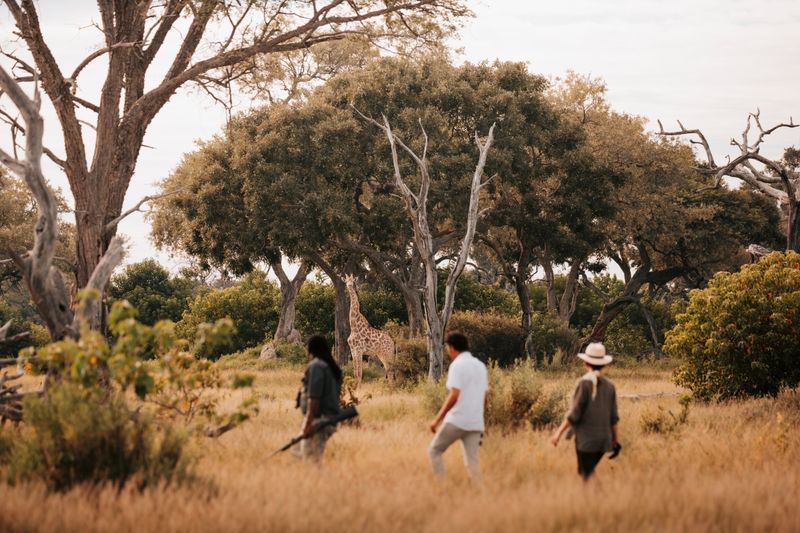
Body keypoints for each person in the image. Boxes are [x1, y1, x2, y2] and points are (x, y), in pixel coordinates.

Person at [551, 342, 620, 481]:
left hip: (586, 440)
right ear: (604, 364)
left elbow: (574, 414)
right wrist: (615, 440)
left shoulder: (583, 383)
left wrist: (558, 433)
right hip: (604, 440)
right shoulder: (610, 385)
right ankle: (595, 499)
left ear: (585, 363)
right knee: (586, 472)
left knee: (586, 474)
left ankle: (602, 499)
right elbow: (614, 417)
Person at [428, 331, 488, 481]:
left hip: (457, 421)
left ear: (452, 348)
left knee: (434, 451)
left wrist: (437, 420)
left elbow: (454, 395)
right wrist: (481, 419)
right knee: (472, 462)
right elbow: (485, 396)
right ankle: (481, 495)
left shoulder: (457, 365)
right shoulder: (480, 366)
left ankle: (443, 487)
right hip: (475, 422)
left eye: (447, 347)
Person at [295, 335, 343, 462]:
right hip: (328, 419)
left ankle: (317, 481)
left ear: (311, 350)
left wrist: (309, 423)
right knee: (297, 450)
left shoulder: (317, 366)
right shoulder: (330, 367)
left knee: (311, 459)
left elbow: (314, 399)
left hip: (319, 419)